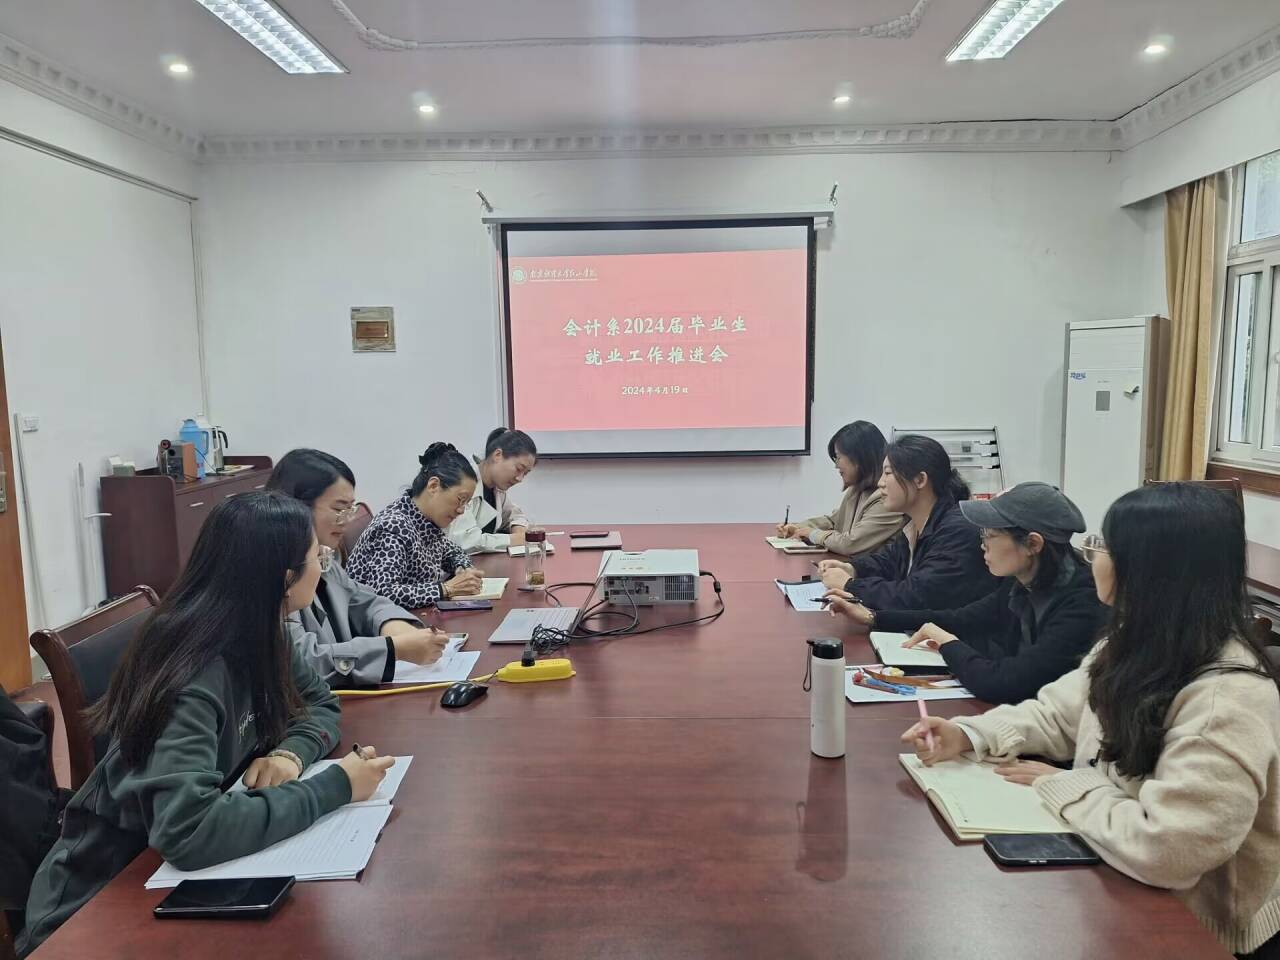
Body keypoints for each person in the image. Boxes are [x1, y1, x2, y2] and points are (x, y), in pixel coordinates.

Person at [901, 484, 1280, 958]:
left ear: (1151, 569)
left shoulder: (1228, 696)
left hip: (1200, 929)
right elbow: (1057, 714)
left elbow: (1168, 850)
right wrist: (968, 734)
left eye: (1104, 546)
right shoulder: (1128, 644)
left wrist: (1063, 784)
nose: (1092, 556)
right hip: (1115, 875)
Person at [19, 493, 395, 956]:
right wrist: (335, 786)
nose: (322, 567)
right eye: (316, 557)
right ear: (284, 579)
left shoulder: (262, 630)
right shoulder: (192, 671)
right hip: (97, 906)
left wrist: (290, 754)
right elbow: (189, 830)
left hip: (170, 873)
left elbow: (319, 703)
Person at [827, 482, 1105, 704]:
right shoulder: (1023, 580)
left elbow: (1005, 682)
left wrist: (947, 643)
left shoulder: (1082, 605)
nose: (982, 544)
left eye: (990, 535)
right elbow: (962, 618)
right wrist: (875, 617)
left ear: (1033, 544)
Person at [266, 449, 451, 686]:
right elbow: (299, 663)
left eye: (350, 509)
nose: (348, 519)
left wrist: (392, 626)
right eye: (339, 509)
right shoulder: (274, 572)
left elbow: (361, 600)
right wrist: (392, 649)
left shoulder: (324, 555)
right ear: (296, 506)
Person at [816, 434, 997, 609]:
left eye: (888, 473)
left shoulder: (956, 531)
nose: (880, 483)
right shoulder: (916, 523)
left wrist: (850, 586)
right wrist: (852, 568)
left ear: (920, 480)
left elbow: (916, 596)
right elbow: (889, 561)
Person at [346, 443, 483, 608]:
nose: (461, 510)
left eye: (466, 503)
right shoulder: (393, 527)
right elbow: (383, 593)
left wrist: (462, 569)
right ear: (433, 486)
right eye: (460, 499)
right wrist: (446, 589)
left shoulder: (426, 522)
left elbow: (453, 552)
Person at [775, 421, 905, 558]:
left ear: (859, 458)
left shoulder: (887, 499)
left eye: (838, 457)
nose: (836, 465)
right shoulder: (856, 490)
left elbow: (850, 544)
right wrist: (798, 528)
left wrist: (812, 534)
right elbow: (834, 522)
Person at [448, 428, 537, 555]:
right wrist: (515, 540)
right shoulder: (462, 482)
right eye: (518, 469)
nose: (520, 479)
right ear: (497, 455)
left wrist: (519, 530)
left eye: (525, 473)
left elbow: (515, 515)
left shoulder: (496, 489)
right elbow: (466, 541)